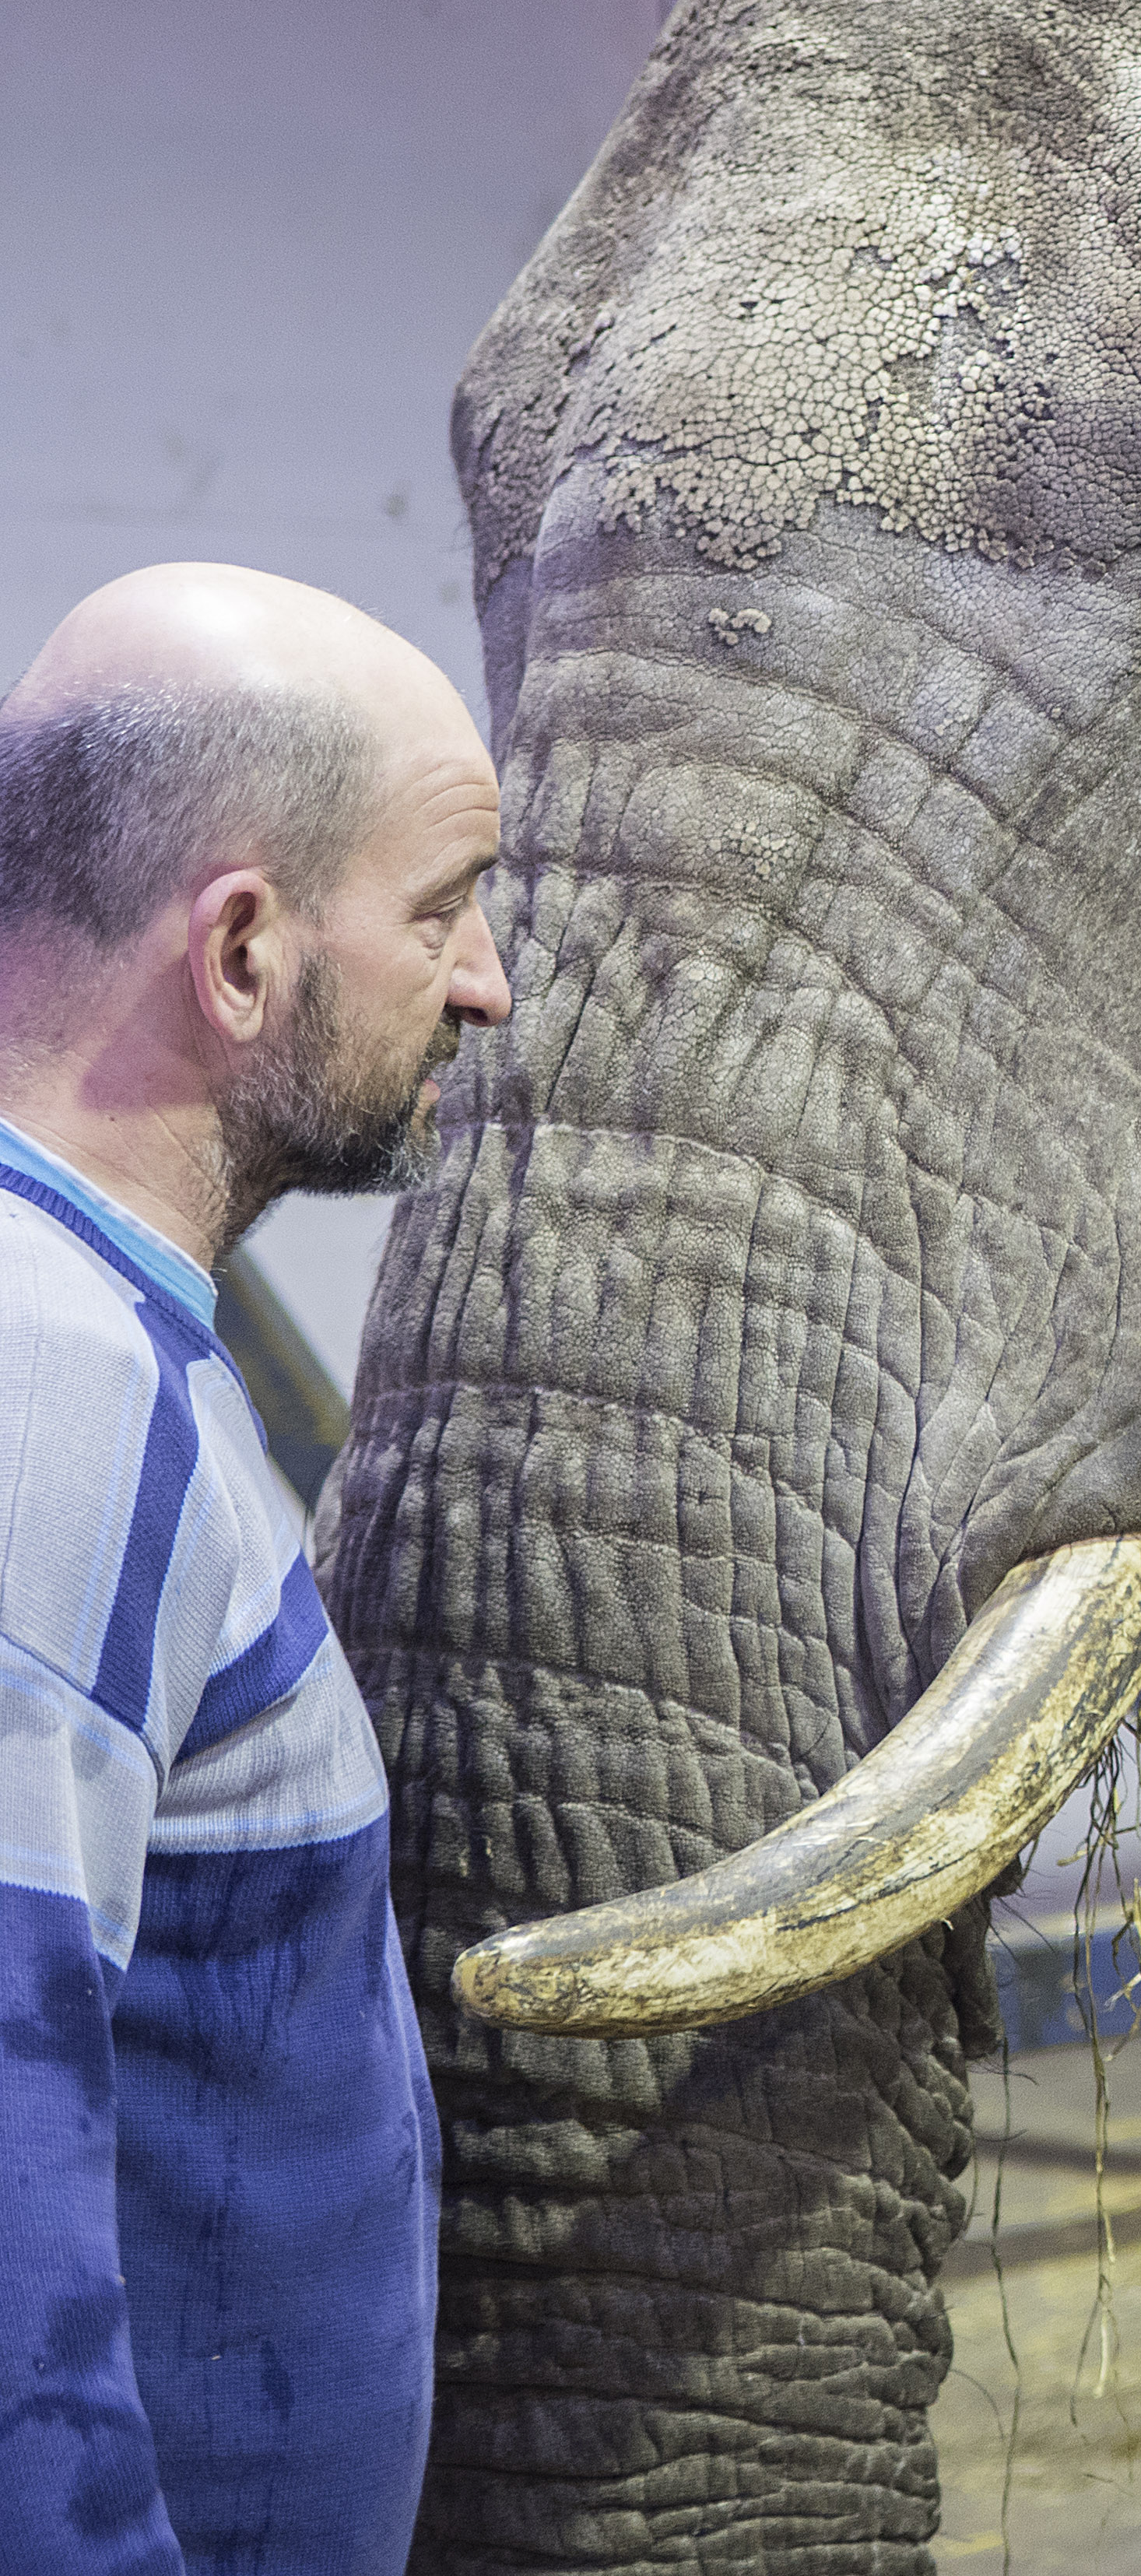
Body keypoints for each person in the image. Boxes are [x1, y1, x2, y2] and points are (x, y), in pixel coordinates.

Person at [0, 563, 511, 2571]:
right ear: (239, 951)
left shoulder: (94, 1341)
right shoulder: (50, 1386)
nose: (484, 983)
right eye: (442, 905)